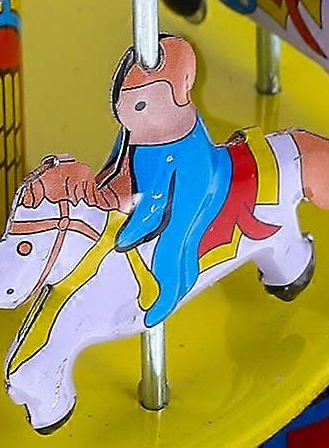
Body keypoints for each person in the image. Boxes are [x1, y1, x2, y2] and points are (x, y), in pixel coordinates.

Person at [95, 37, 233, 326]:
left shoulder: (182, 144)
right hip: (151, 161)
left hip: (192, 180)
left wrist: (133, 227)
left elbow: (156, 199)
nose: (128, 118)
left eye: (140, 105)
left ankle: (169, 290)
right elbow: (115, 164)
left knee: (174, 237)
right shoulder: (134, 131)